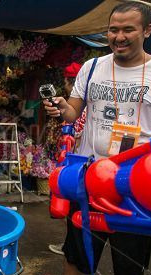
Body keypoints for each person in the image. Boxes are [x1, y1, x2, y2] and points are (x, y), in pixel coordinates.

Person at [43, 1, 151, 275]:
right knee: (76, 254)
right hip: (89, 178)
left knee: (130, 265)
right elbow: (74, 111)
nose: (118, 36)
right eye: (113, 29)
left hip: (138, 185)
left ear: (147, 30)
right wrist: (61, 107)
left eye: (128, 29)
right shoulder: (92, 66)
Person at [48, 62, 83, 256]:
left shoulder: (77, 106)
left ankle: (70, 247)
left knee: (69, 205)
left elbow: (71, 134)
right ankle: (70, 245)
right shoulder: (77, 107)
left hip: (73, 162)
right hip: (75, 160)